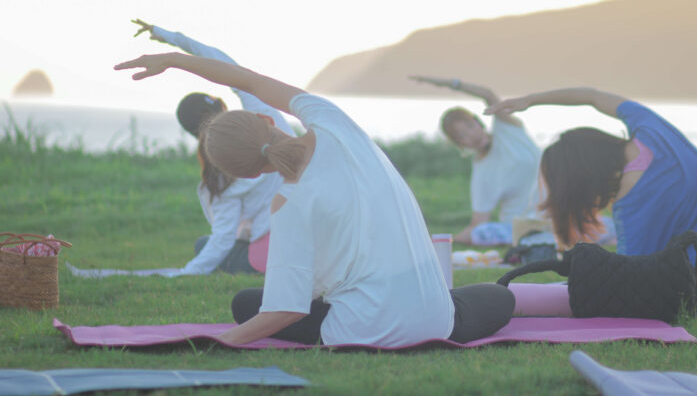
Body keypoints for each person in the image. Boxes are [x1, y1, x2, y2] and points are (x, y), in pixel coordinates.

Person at [115, 52, 515, 346]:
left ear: (249, 174)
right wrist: (173, 58)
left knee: (247, 304)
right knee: (498, 296)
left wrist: (220, 341)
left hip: (361, 333)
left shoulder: (284, 206)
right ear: (267, 121)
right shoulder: (331, 122)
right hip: (436, 321)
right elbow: (248, 79)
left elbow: (285, 311)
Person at [486, 87, 697, 296]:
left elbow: (627, 280)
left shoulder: (629, 203)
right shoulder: (651, 128)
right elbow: (591, 96)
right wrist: (530, 100)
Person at [132, 19, 295, 275]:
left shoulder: (221, 175)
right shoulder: (264, 116)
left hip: (273, 259)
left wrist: (187, 272)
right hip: (307, 241)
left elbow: (222, 240)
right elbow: (225, 64)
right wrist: (170, 38)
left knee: (203, 244)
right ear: (223, 107)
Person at [410, 75, 543, 246]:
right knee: (483, 233)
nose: (472, 136)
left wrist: (448, 83)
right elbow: (478, 224)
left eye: (470, 127)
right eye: (462, 136)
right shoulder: (481, 173)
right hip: (519, 228)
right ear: (459, 144)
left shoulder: (509, 130)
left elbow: (488, 94)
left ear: (479, 123)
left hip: (556, 213)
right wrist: (441, 243)